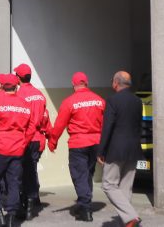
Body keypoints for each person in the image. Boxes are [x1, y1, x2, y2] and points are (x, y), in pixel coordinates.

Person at [47, 71, 105, 223]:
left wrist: (53, 142)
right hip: (96, 143)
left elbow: (60, 124)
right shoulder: (99, 100)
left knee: (79, 175)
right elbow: (106, 124)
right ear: (87, 83)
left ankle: (85, 208)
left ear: (73, 85)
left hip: (78, 143)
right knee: (87, 174)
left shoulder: (69, 102)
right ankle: (84, 202)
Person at [0, 73, 37, 227]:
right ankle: (11, 217)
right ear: (16, 85)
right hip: (18, 148)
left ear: (3, 85)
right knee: (13, 182)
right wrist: (23, 142)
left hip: (0, 147)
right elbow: (32, 127)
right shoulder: (24, 103)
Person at [99, 70, 145, 227]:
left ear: (116, 83)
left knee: (108, 184)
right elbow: (138, 126)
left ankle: (131, 217)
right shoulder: (137, 101)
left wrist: (101, 150)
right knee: (126, 187)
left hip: (116, 149)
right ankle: (125, 223)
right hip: (133, 149)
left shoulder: (112, 100)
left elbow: (108, 127)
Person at [15, 63, 50, 220]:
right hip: (38, 139)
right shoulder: (40, 94)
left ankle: (25, 204)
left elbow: (19, 118)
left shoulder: (19, 95)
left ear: (18, 78)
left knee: (20, 172)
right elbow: (44, 115)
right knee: (31, 169)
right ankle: (33, 200)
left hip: (25, 138)